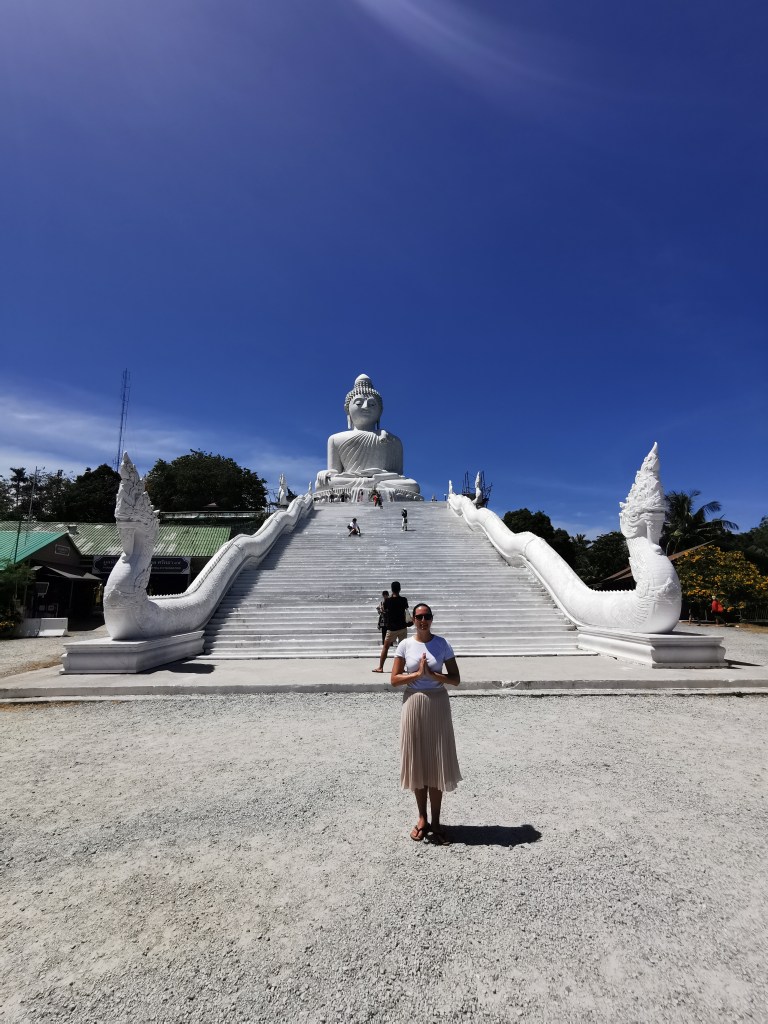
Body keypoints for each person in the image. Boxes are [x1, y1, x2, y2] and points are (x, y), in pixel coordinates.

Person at [391, 603, 461, 844]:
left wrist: (432, 676)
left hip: (437, 703)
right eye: (419, 616)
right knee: (418, 761)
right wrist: (417, 675)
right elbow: (394, 679)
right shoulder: (405, 645)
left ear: (432, 619)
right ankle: (422, 817)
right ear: (413, 619)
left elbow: (456, 679)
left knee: (436, 761)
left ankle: (437, 820)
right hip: (413, 703)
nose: (423, 620)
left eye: (427, 616)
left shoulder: (442, 644)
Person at [372, 581, 409, 672]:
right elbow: (406, 610)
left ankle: (381, 667)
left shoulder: (388, 601)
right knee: (403, 648)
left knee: (386, 647)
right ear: (400, 589)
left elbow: (384, 610)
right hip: (402, 627)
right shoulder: (404, 600)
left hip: (392, 628)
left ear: (392, 589)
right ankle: (401, 667)